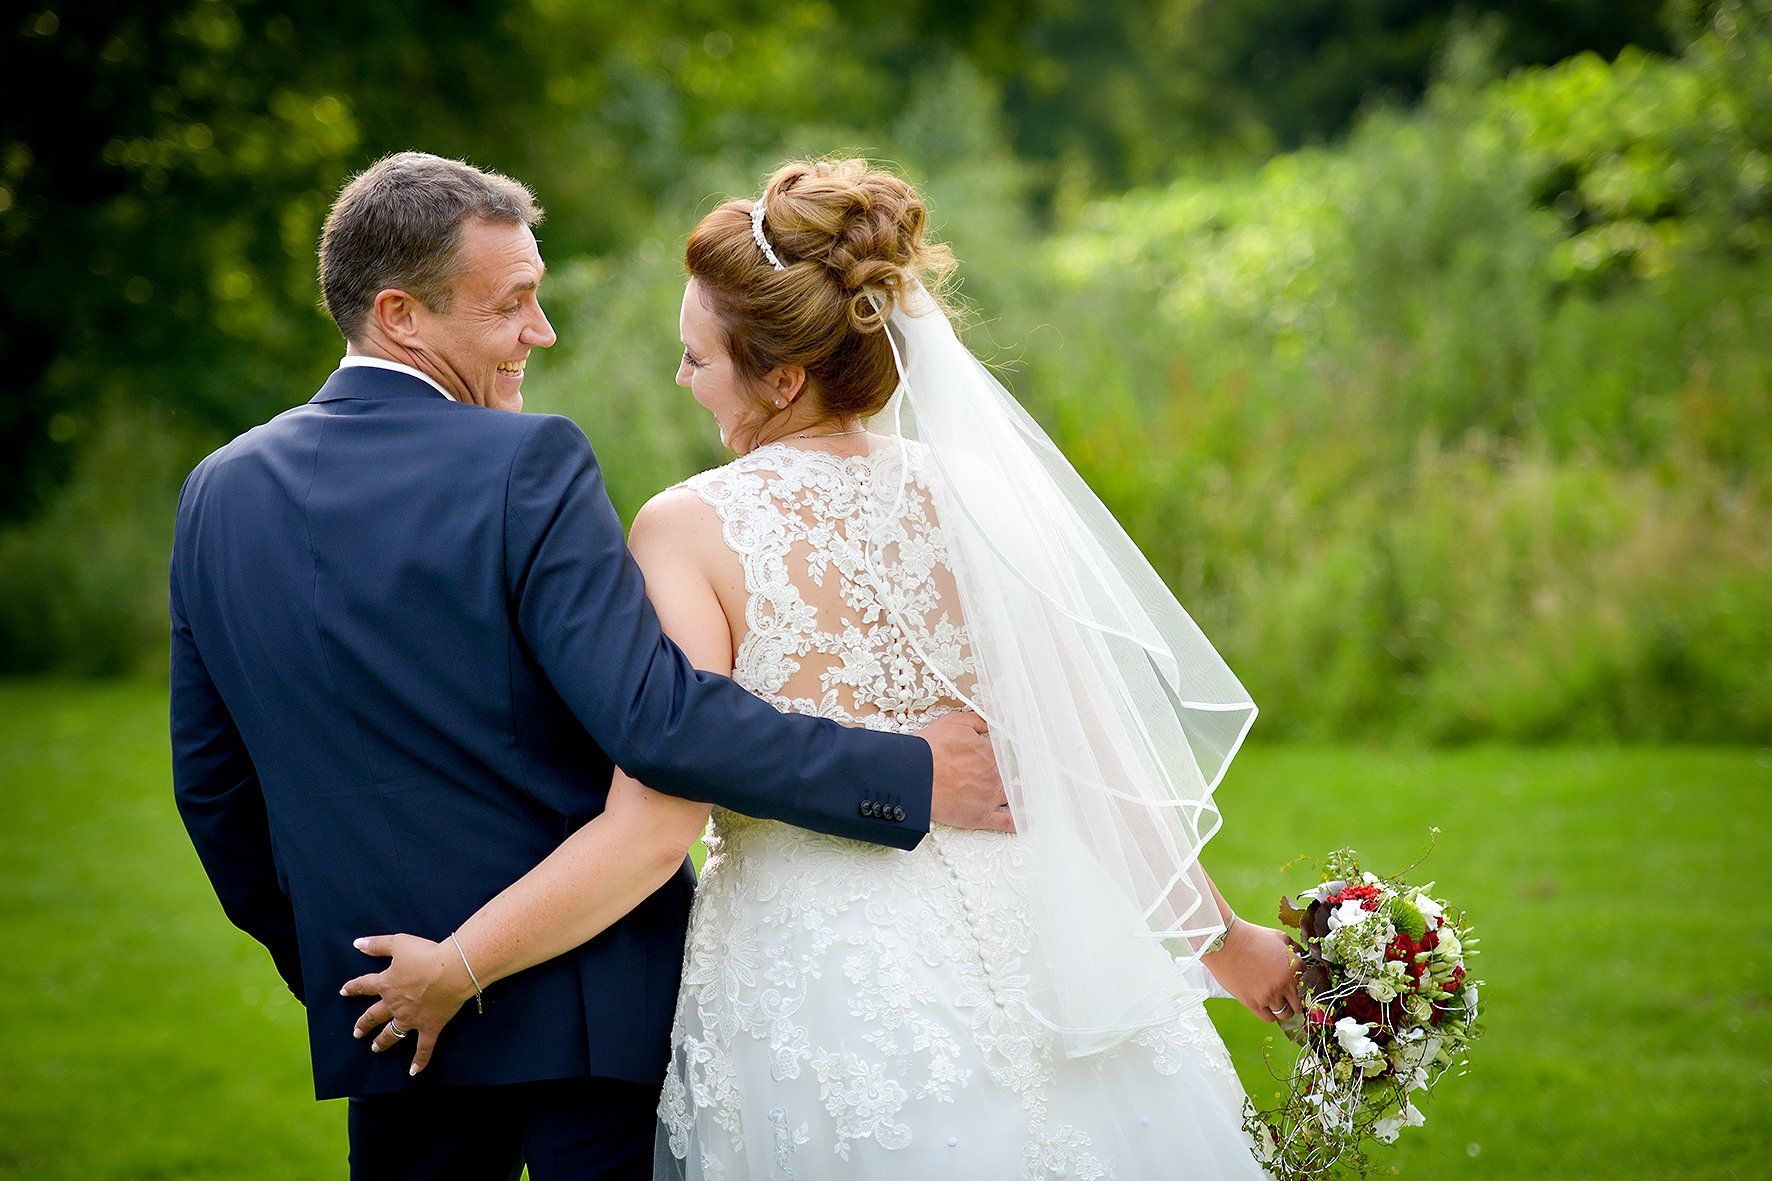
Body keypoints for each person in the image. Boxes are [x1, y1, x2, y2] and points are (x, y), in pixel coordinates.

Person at [348, 159, 1302, 1179]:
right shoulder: (978, 498)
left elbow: (653, 823)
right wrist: (1228, 941)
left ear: (784, 377)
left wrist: (461, 964)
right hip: (1045, 948)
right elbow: (1093, 758)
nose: (682, 379)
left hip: (828, 983)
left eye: (696, 357)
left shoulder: (690, 526)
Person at [169, 151, 1009, 1181]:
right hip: (592, 1019)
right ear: (400, 315)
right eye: (511, 304)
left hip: (394, 1026)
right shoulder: (522, 461)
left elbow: (213, 791)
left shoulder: (216, 493)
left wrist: (351, 973)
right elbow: (661, 722)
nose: (542, 330)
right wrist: (907, 772)